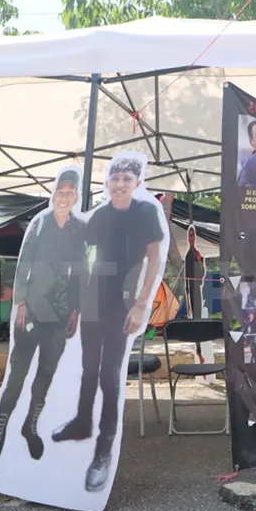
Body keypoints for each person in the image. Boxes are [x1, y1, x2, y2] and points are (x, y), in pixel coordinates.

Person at [51, 156, 164, 493]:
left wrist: (141, 305)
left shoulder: (146, 213)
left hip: (123, 301)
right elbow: (84, 261)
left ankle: (104, 448)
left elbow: (154, 259)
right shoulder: (99, 215)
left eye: (127, 178)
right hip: (92, 299)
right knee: (87, 368)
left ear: (137, 183)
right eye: (114, 177)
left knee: (109, 374)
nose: (119, 183)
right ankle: (82, 422)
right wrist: (75, 305)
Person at [0, 171, 85, 478]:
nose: (65, 195)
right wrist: (22, 302)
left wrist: (77, 308)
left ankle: (31, 425)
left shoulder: (79, 229)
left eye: (71, 191)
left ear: (77, 196)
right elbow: (24, 263)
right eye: (61, 190)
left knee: (47, 372)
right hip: (34, 309)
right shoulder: (40, 224)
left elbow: (81, 271)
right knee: (18, 373)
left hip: (62, 312)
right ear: (53, 194)